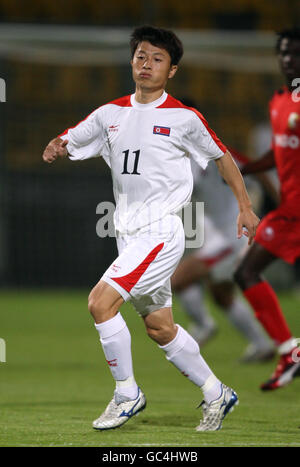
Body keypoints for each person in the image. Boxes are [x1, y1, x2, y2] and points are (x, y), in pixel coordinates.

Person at [42, 25, 259, 431]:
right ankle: (217, 391)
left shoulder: (184, 117)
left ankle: (127, 394)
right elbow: (72, 138)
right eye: (141, 56)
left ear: (171, 70)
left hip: (160, 232)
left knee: (99, 303)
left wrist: (245, 208)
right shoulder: (111, 113)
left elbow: (223, 157)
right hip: (127, 235)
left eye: (157, 59)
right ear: (132, 61)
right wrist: (57, 144)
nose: (147, 64)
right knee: (160, 328)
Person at [234, 27, 300, 390]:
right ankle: (289, 351)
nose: (289, 60)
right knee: (246, 272)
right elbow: (281, 154)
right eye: (284, 53)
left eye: (296, 54)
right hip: (292, 211)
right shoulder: (279, 102)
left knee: (246, 272)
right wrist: (244, 168)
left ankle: (290, 351)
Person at [171, 143, 275, 363]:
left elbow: (183, 190)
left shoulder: (194, 158)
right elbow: (259, 170)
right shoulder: (226, 152)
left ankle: (203, 326)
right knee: (222, 294)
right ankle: (262, 345)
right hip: (223, 233)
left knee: (177, 280)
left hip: (230, 236)